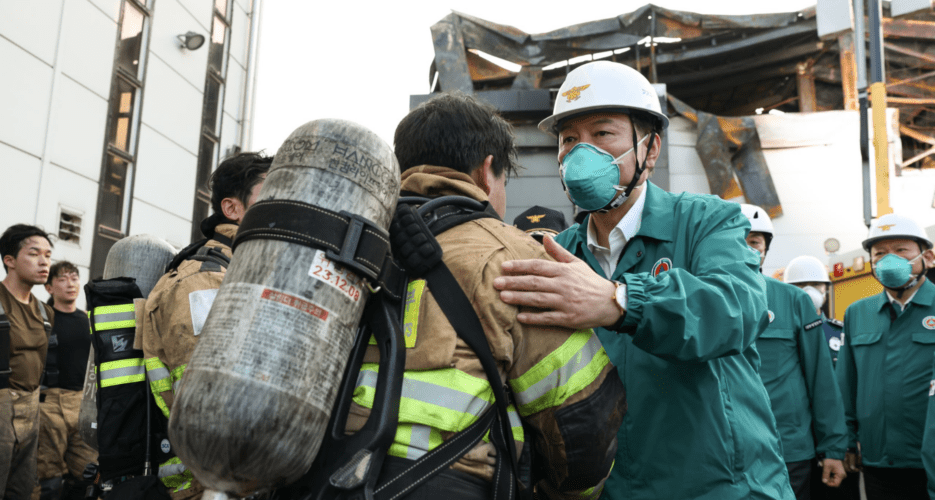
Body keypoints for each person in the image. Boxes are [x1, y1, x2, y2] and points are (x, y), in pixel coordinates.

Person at [492, 60, 793, 499]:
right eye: (569, 140)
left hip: (723, 488)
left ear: (650, 150)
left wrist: (620, 300)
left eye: (602, 134)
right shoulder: (560, 255)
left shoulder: (707, 221)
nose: (581, 153)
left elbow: (738, 309)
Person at [341, 92, 625, 499]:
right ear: (487, 170)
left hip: (328, 480)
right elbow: (582, 423)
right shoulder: (514, 255)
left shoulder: (354, 244)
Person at [139, 152, 271, 499]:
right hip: (207, 483)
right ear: (232, 209)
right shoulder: (204, 282)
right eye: (271, 194)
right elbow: (207, 407)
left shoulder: (244, 274)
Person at [741, 205, 848, 500]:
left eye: (755, 242)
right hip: (718, 448)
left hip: (786, 449)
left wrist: (833, 448)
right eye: (736, 239)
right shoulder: (695, 298)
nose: (746, 248)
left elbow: (821, 379)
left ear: (765, 250)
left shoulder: (793, 301)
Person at [836, 213, 935, 500]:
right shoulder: (858, 313)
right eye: (880, 253)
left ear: (926, 257)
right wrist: (845, 442)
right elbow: (846, 383)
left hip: (928, 460)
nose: (888, 259)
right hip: (879, 460)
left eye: (901, 250)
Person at [33, 262, 96, 500]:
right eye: (62, 279)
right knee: (48, 474)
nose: (70, 284)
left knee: (91, 472)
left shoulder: (89, 320)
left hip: (83, 403)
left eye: (74, 278)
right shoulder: (41, 319)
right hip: (50, 403)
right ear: (49, 287)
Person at [0, 224, 54, 499]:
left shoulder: (45, 312)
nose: (44, 261)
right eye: (34, 253)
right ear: (9, 260)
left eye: (48, 254)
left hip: (31, 405)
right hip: (1, 403)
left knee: (21, 489)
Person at [784, 255, 844, 367]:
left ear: (825, 288)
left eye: (816, 284)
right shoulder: (781, 333)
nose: (808, 291)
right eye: (799, 285)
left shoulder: (841, 333)